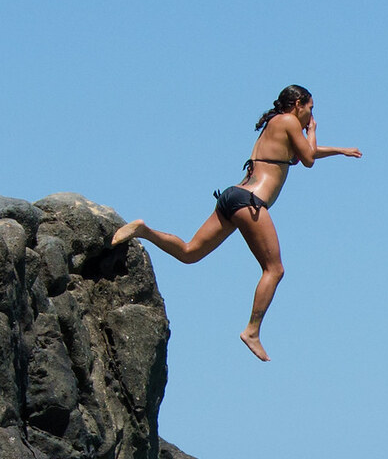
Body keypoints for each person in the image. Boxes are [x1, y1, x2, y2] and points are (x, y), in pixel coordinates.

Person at [111, 84, 362, 361]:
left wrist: (340, 150)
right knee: (274, 270)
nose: (310, 117)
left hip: (233, 196)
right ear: (299, 104)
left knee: (189, 252)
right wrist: (312, 131)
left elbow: (303, 154)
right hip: (251, 203)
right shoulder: (291, 121)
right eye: (310, 109)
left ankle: (143, 230)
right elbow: (309, 158)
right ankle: (252, 331)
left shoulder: (275, 124)